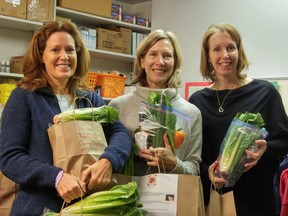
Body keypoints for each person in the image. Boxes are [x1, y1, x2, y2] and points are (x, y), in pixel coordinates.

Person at [0, 20, 132, 216]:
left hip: (87, 206)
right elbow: (9, 157)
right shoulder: (25, 96)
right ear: (42, 56)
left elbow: (120, 132)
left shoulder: (89, 99)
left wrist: (109, 161)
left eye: (70, 50)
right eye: (55, 50)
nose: (64, 57)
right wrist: (56, 177)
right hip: (38, 208)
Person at [188, 23, 288, 216]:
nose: (225, 55)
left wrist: (266, 148)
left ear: (238, 52)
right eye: (216, 49)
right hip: (212, 200)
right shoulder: (197, 100)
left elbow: (285, 140)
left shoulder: (264, 92)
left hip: (256, 202)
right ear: (208, 57)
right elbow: (193, 154)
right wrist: (208, 172)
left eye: (230, 47)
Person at [109, 29, 202, 176]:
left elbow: (194, 167)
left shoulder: (191, 112)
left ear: (175, 63)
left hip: (173, 196)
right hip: (126, 195)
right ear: (142, 61)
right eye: (153, 54)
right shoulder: (117, 106)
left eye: (167, 56)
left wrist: (174, 164)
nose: (160, 62)